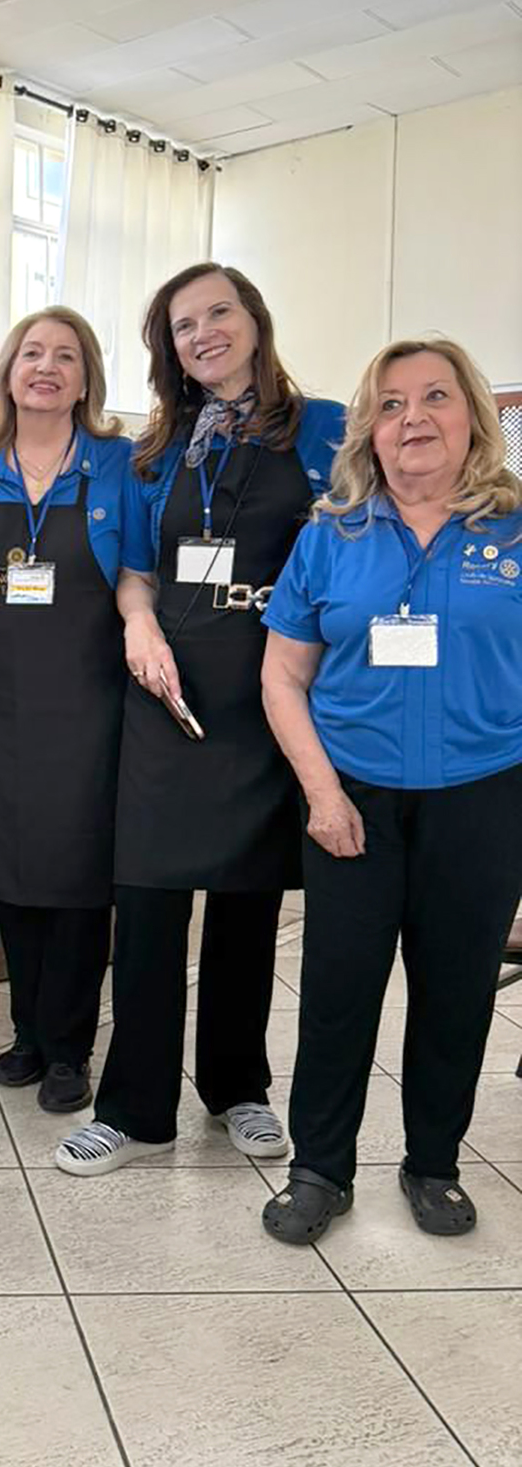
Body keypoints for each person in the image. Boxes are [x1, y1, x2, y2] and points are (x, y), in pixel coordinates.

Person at [55, 263, 345, 1176]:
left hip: (267, 694)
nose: (203, 332)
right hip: (166, 692)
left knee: (246, 901)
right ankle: (133, 1105)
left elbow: (355, 544)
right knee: (144, 900)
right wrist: (137, 625)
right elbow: (138, 567)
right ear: (167, 348)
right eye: (183, 325)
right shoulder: (156, 450)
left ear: (254, 319)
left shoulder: (326, 429)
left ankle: (238, 1087)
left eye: (218, 312)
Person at [259, 339, 522, 1242]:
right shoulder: (328, 536)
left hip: (483, 800)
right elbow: (281, 677)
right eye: (391, 403)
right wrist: (321, 796)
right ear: (368, 429)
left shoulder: (516, 530)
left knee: (454, 993)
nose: (412, 418)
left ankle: (433, 1165)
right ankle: (318, 1170)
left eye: (435, 398)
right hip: (352, 803)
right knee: (337, 992)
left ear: (472, 418)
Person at [0, 309, 133, 1112]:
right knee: (9, 870)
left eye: (66, 356)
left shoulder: (118, 465)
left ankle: (71, 1045)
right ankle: (27, 1033)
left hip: (87, 700)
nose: (46, 367)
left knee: (76, 874)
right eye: (32, 353)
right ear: (9, 371)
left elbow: (137, 575)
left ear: (86, 377)